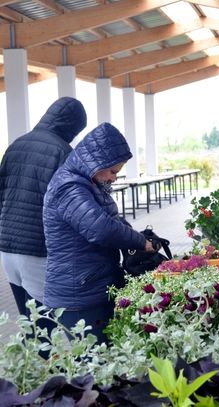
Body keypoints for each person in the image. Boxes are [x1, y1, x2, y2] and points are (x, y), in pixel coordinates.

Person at [43, 122, 154, 343]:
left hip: (91, 285)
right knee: (93, 365)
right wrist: (140, 242)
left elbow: (108, 219)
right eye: (113, 171)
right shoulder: (69, 187)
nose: (114, 178)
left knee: (105, 361)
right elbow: (100, 228)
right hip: (79, 294)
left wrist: (132, 232)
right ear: (96, 162)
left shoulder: (87, 183)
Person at [0, 97, 87, 317]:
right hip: (38, 251)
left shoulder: (15, 145)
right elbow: (69, 206)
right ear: (71, 125)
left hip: (8, 248)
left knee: (31, 326)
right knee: (49, 327)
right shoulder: (62, 151)